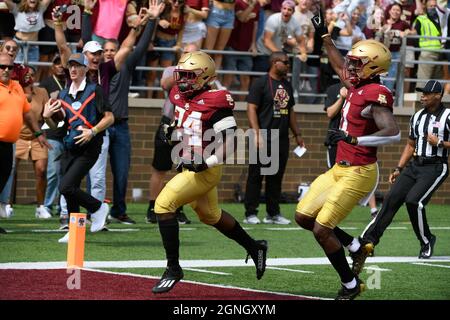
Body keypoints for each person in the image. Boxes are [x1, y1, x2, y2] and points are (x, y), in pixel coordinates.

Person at [295, 10, 401, 300]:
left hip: (359, 171)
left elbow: (393, 132)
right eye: (352, 63)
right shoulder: (356, 83)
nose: (350, 68)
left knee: (320, 229)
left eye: (357, 64)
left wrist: (355, 137)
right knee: (303, 217)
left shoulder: (376, 93)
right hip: (338, 169)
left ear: (374, 67)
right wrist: (324, 35)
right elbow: (339, 62)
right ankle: (354, 246)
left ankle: (351, 285)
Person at [151, 51, 268, 294]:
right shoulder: (179, 94)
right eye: (180, 75)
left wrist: (207, 161)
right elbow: (184, 125)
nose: (182, 80)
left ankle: (173, 268)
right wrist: (170, 131)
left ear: (205, 77)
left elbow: (231, 140)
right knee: (210, 215)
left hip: (205, 169)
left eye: (188, 76)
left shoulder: (216, 100)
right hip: (188, 164)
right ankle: (255, 247)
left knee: (163, 205)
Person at [348, 80, 449, 276]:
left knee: (414, 202)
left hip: (435, 166)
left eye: (427, 94)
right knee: (391, 199)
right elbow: (410, 145)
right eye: (422, 93)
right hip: (414, 166)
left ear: (438, 96)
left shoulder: (448, 116)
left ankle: (427, 240)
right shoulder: (418, 116)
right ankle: (368, 241)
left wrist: (441, 143)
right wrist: (398, 168)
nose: (423, 96)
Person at [43, 52, 114, 243]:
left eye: (77, 66)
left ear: (85, 69)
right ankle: (76, 231)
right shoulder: (64, 94)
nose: (73, 69)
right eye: (71, 66)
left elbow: (110, 117)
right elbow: (58, 126)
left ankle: (98, 207)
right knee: (68, 189)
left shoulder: (95, 90)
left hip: (89, 147)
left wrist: (93, 131)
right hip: (70, 146)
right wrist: (46, 116)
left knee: (66, 185)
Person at [106, 0, 164, 225]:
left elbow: (140, 47)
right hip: (100, 126)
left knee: (121, 172)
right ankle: (95, 211)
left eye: (114, 49)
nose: (110, 53)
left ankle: (118, 211)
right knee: (96, 175)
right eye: (106, 51)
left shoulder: (126, 66)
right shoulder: (96, 72)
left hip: (120, 126)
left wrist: (153, 19)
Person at [243, 51, 304, 225]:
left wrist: (297, 134)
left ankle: (273, 213)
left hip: (281, 138)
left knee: (276, 177)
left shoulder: (287, 85)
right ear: (274, 63)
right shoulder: (260, 83)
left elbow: (290, 111)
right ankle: (250, 213)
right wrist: (256, 133)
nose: (288, 65)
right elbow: (251, 108)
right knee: (256, 176)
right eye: (285, 62)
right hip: (263, 136)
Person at [146, 43, 199, 225]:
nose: (188, 57)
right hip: (169, 123)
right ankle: (153, 208)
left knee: (184, 170)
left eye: (192, 54)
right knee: (160, 168)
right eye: (185, 53)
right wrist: (183, 70)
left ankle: (177, 208)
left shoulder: (201, 74)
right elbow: (165, 85)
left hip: (189, 126)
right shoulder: (171, 70)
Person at [0, 53, 51, 232]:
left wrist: (38, 133)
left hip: (8, 144)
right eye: (2, 67)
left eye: (10, 67)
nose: (6, 70)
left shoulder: (16, 87)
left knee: (3, 179)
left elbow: (27, 113)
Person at [14, 65, 52, 219]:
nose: (29, 77)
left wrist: (46, 125)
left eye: (31, 75)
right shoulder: (15, 90)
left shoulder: (42, 92)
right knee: (11, 172)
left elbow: (47, 115)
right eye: (26, 74)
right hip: (18, 136)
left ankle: (40, 207)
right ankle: (6, 205)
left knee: (41, 171)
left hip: (38, 137)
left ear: (35, 78)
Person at [39, 54, 68, 227]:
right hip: (53, 134)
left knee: (64, 173)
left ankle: (60, 205)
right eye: (56, 63)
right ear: (52, 66)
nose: (59, 66)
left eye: (61, 63)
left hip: (67, 134)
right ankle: (47, 205)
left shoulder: (71, 83)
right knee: (52, 172)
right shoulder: (46, 84)